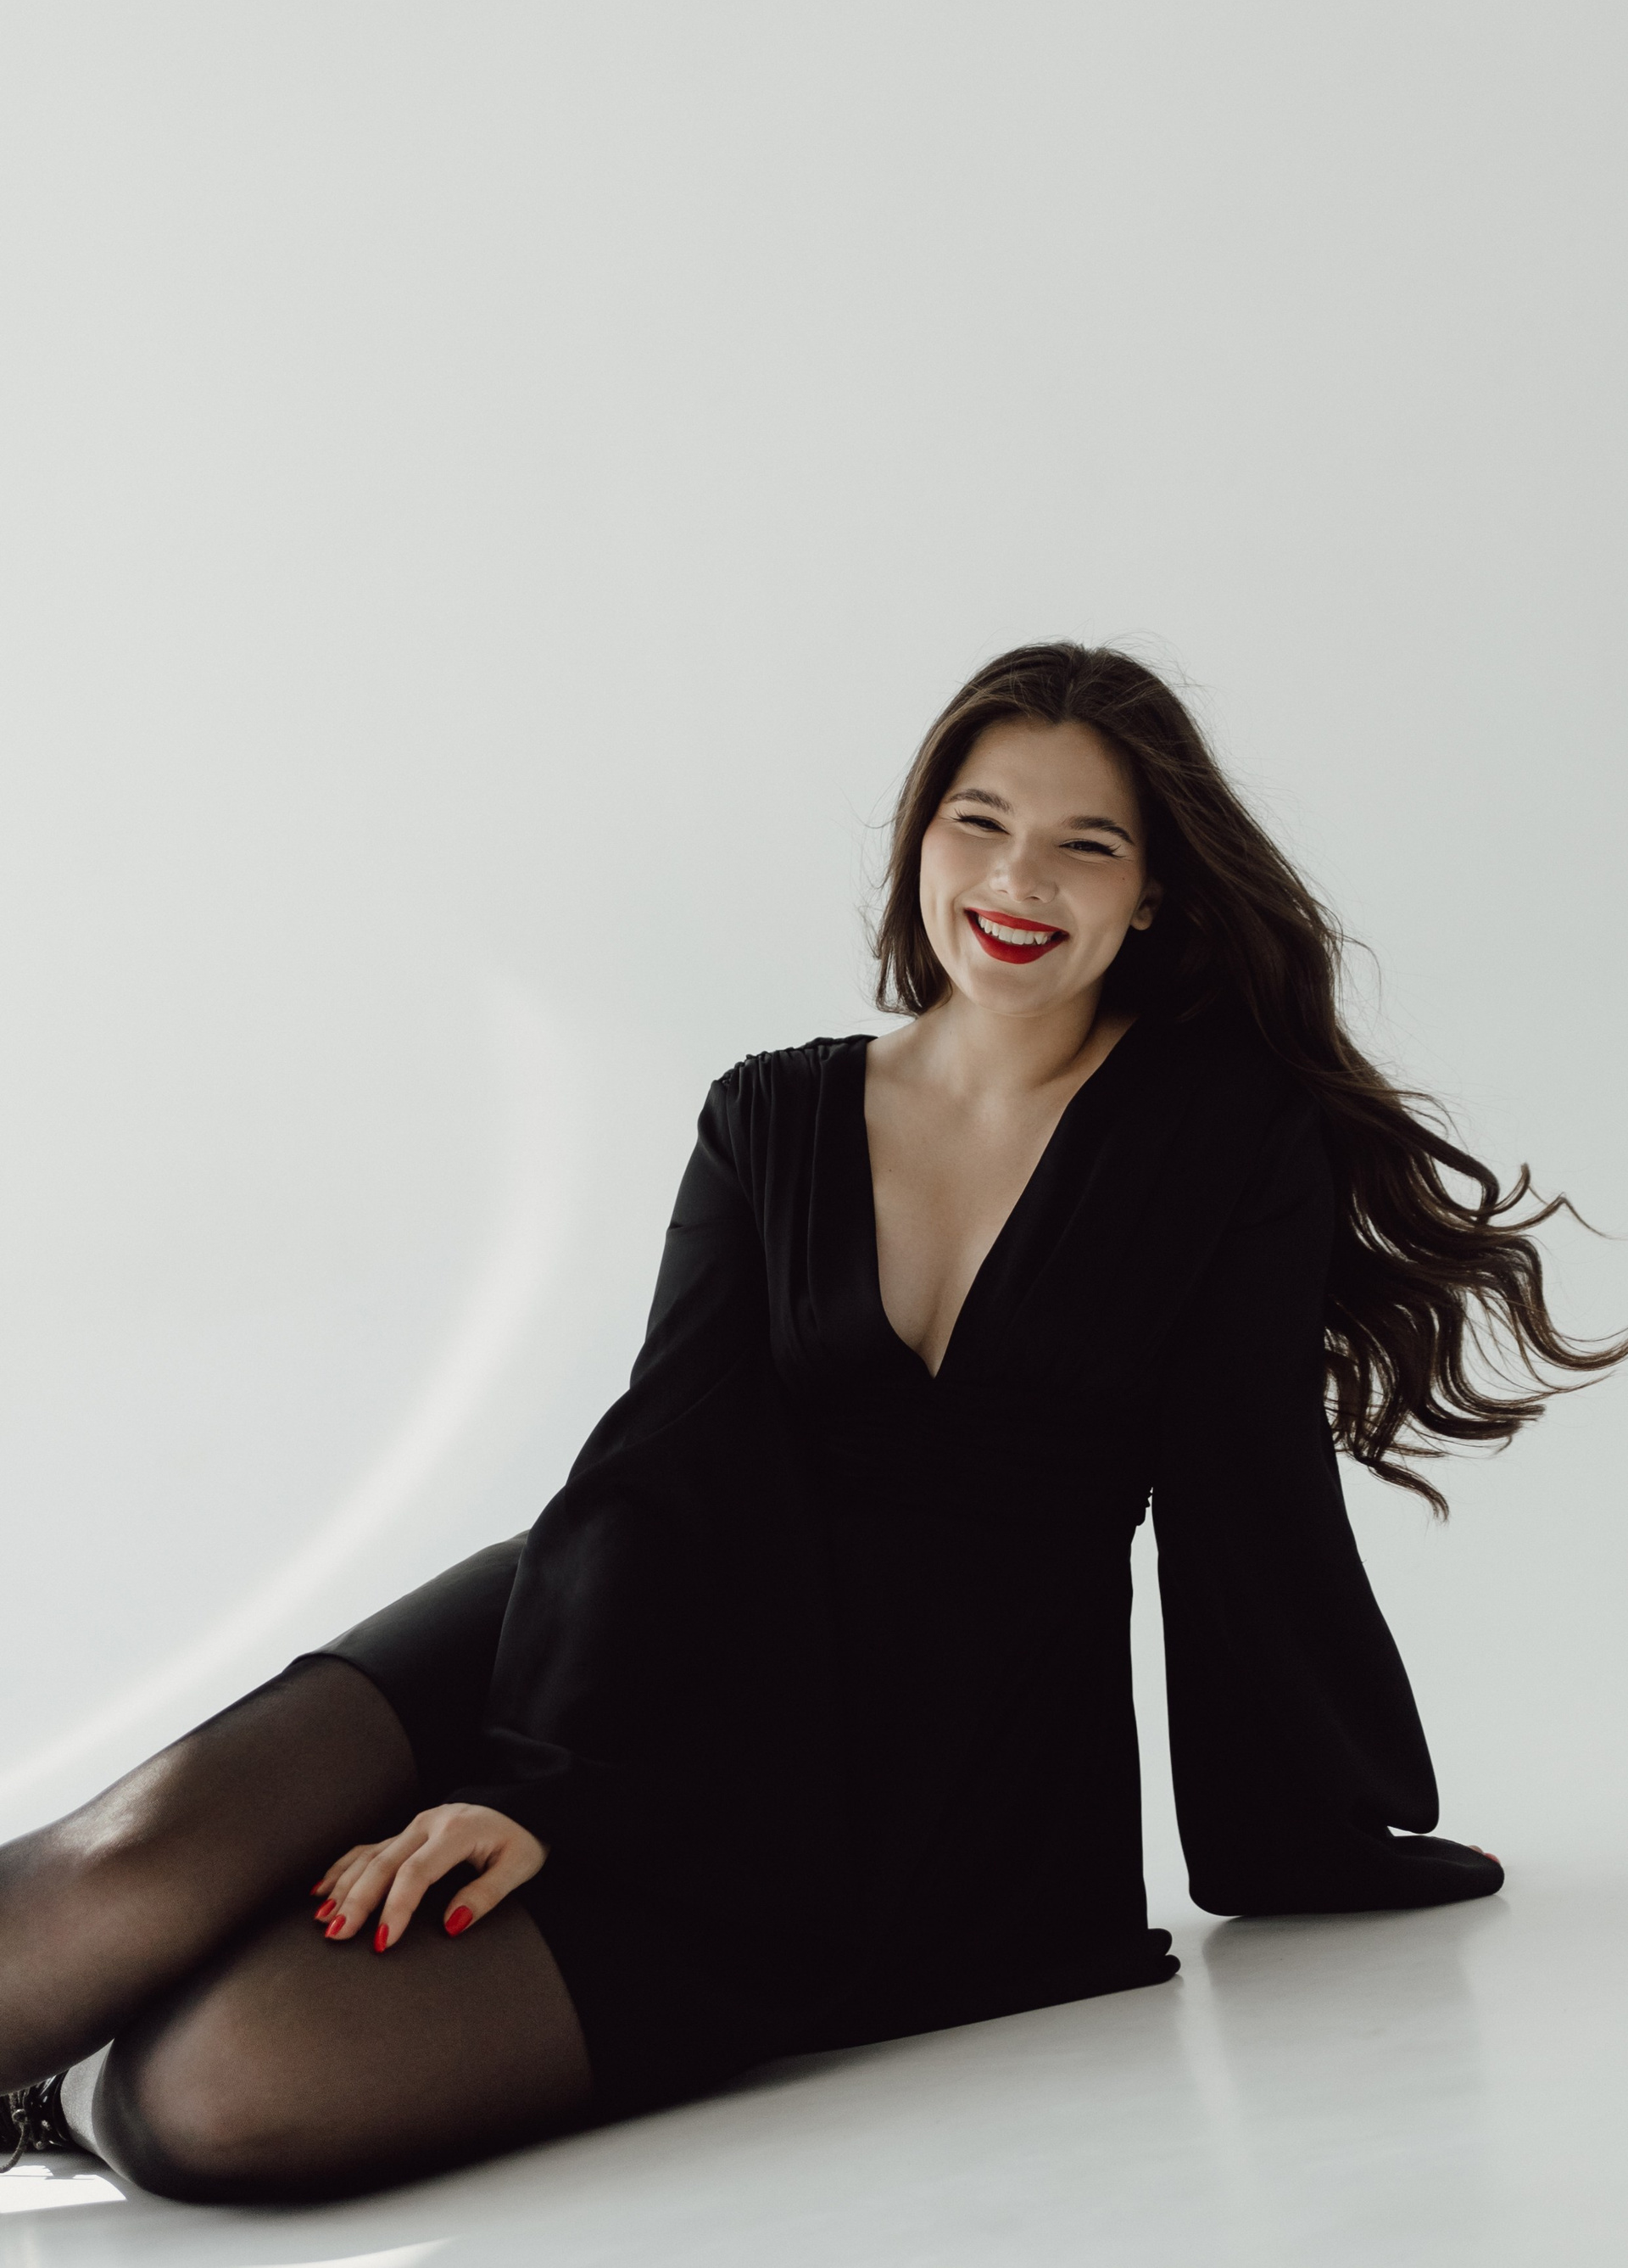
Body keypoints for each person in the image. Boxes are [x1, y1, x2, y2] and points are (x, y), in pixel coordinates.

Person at [2, 644, 1617, 2204]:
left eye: (1086, 844)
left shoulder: (1223, 1137)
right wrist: (552, 1782)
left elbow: (1245, 1504)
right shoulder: (770, 1112)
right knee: (117, 1873)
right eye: (979, 822)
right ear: (919, 841)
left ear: (1153, 896)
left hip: (901, 1779)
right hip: (618, 1628)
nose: (1019, 879)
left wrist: (1308, 1837)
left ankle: (53, 2090)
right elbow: (666, 1457)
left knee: (212, 2086)